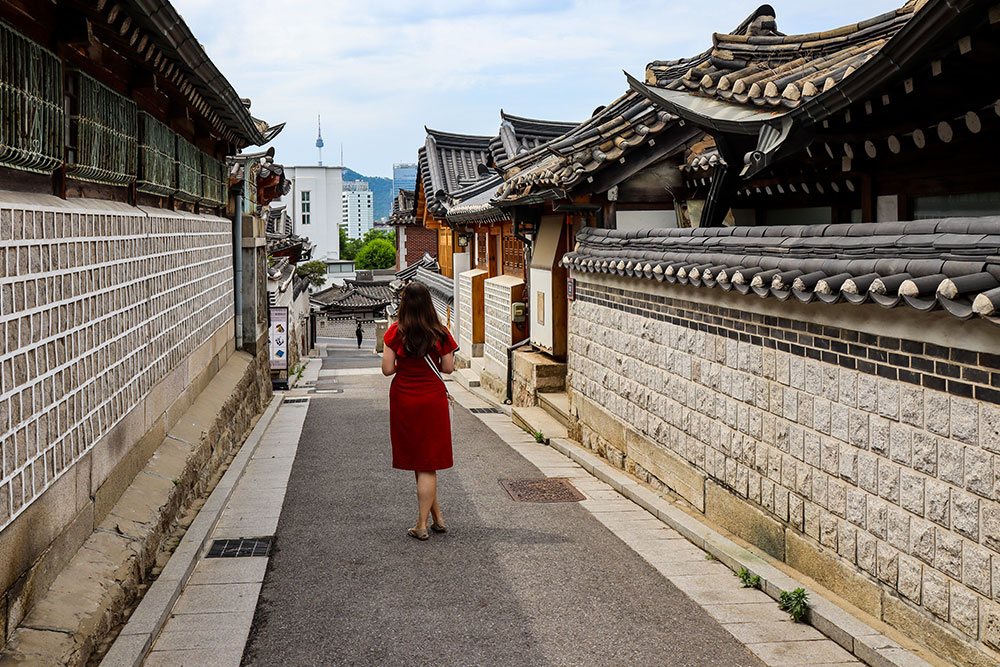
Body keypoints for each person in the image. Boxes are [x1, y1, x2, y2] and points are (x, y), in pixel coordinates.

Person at [381, 282, 458, 540]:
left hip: (404, 398)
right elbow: (447, 369)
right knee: (426, 461)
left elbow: (387, 369)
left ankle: (421, 525)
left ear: (404, 303)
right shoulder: (440, 332)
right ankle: (437, 519)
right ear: (428, 303)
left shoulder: (395, 332)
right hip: (432, 399)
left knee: (422, 462)